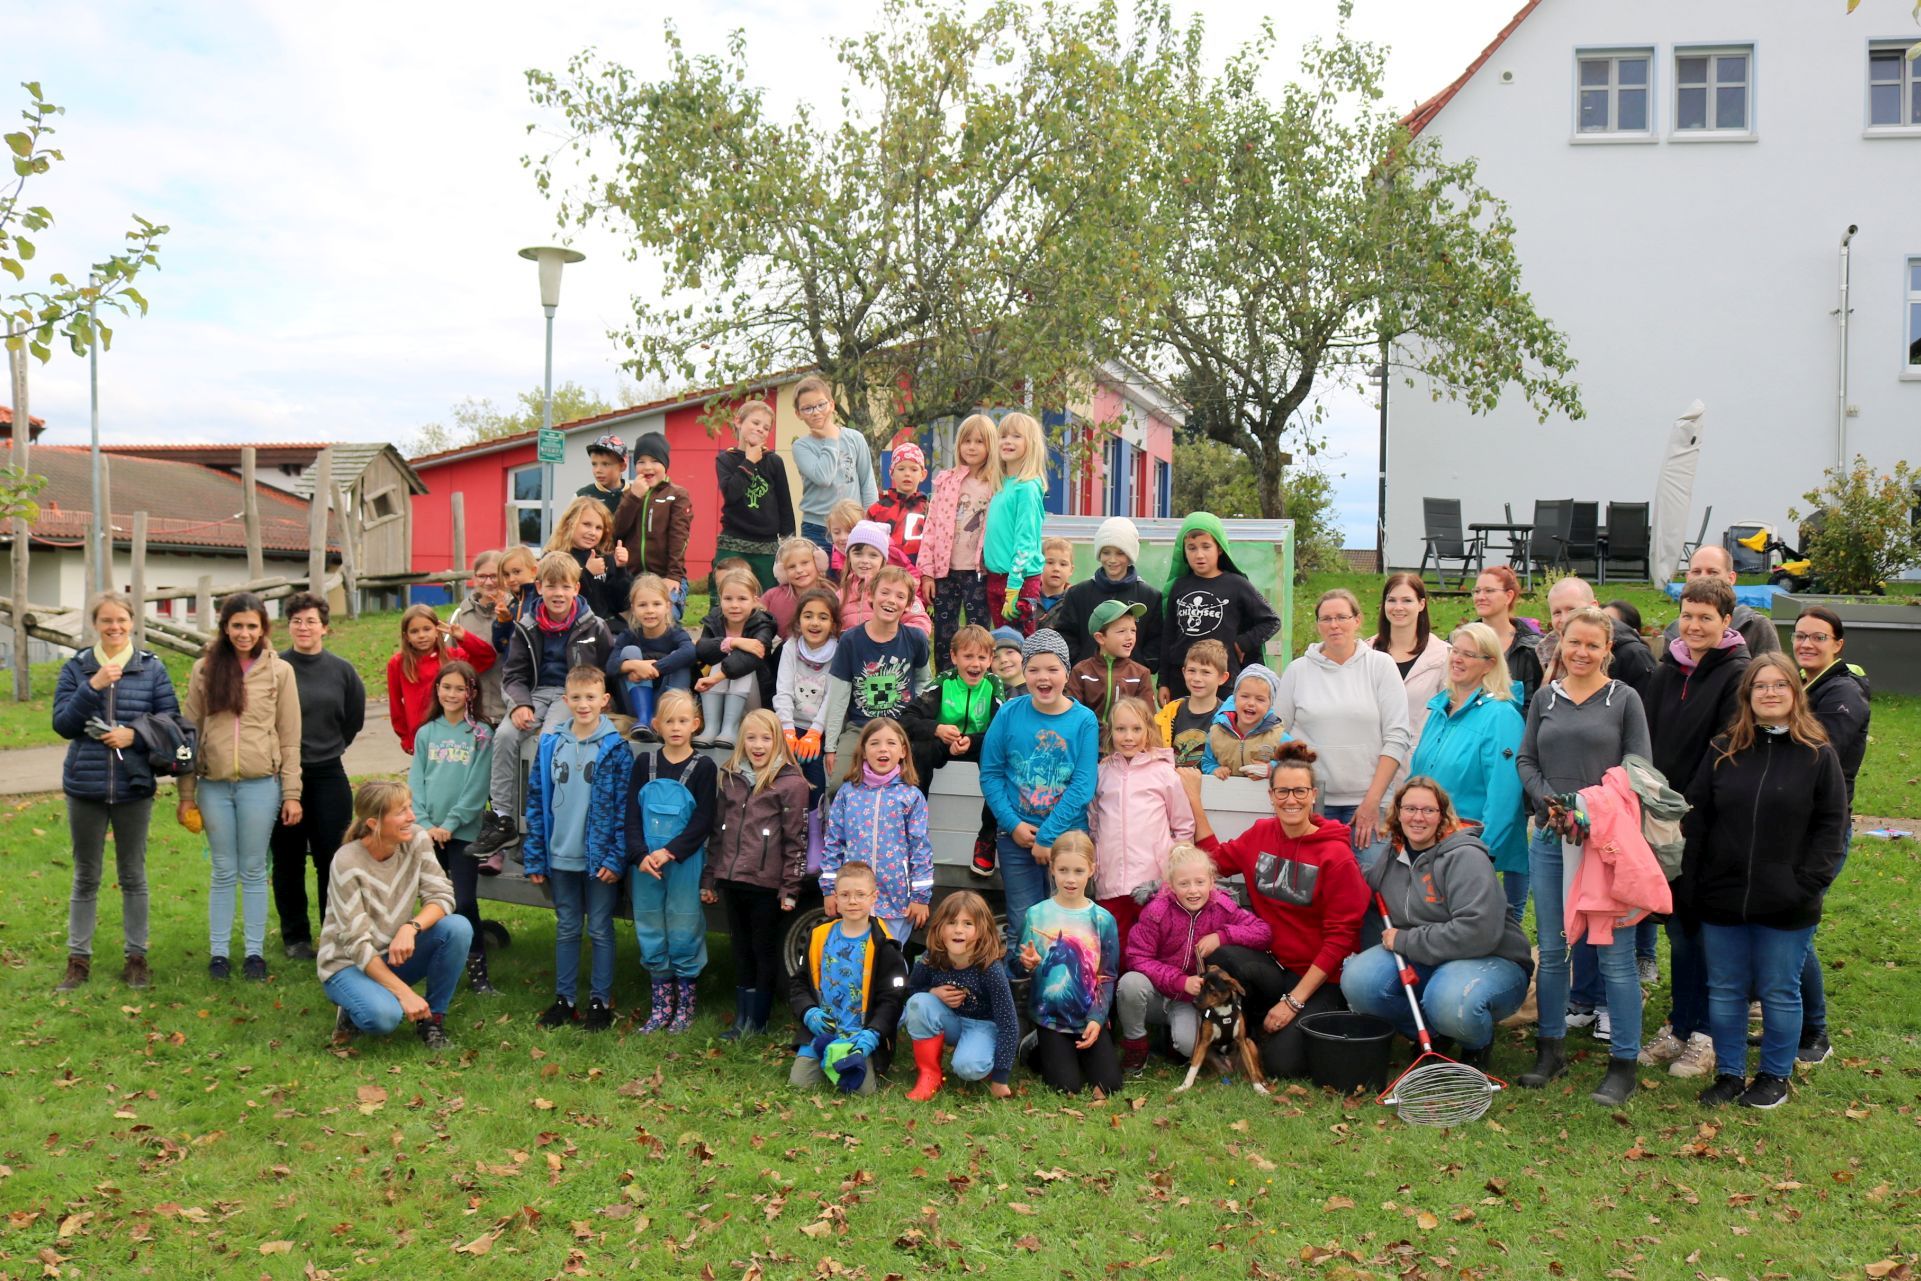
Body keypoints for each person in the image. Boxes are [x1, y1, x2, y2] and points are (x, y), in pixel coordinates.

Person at [1685, 657, 1847, 1110]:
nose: (1770, 693)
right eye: (1760, 686)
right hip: (1722, 897)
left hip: (1787, 902)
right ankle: (1730, 1073)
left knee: (1779, 989)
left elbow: (1831, 827)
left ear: (1796, 693)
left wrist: (1805, 884)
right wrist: (1694, 887)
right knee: (1726, 989)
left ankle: (1774, 1074)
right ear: (1747, 695)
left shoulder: (1818, 755)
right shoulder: (1723, 749)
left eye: (1780, 685)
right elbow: (1697, 821)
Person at [1515, 605, 1653, 1106]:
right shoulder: (1545, 698)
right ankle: (1549, 1047)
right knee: (1552, 949)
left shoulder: (1624, 699)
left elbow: (1638, 769)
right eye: (1574, 642)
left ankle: (1623, 1062)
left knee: (1615, 955)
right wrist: (1552, 802)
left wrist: (1587, 809)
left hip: (1605, 843)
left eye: (1593, 645)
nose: (1582, 652)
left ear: (1607, 651)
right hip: (1551, 837)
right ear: (1561, 643)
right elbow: (1527, 758)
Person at [1179, 742, 1368, 1080]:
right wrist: (1194, 798)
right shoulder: (1261, 834)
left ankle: (1286, 1025)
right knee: (1225, 954)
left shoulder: (1336, 857)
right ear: (1271, 795)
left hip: (1318, 976)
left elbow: (1341, 939)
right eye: (1282, 791)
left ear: (1312, 795)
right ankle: (1240, 1028)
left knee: (1284, 1065)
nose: (1290, 800)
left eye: (1299, 791)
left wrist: (1293, 1003)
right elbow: (1217, 861)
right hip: (1271, 965)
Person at [1637, 578, 1751, 1081]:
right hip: (1661, 819)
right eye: (1688, 615)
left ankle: (1706, 1034)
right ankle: (1679, 1025)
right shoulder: (1667, 670)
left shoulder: (1737, 673)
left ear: (1727, 622)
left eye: (1706, 617)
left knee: (1704, 933)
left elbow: (1725, 745)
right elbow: (1647, 739)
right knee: (1679, 930)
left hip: (1705, 823)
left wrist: (1685, 806)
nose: (1695, 625)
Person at [1339, 778, 1534, 1070]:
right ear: (1398, 813)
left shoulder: (1465, 856)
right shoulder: (1394, 854)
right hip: (1429, 957)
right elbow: (1367, 892)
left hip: (1489, 959)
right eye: (1410, 809)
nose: (1418, 817)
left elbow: (1477, 932)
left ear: (1443, 816)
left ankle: (1475, 1044)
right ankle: (1432, 1033)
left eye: (1428, 810)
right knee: (1358, 979)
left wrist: (1405, 941)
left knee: (1447, 998)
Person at [52, 592, 181, 992]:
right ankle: (78, 959)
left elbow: (171, 722)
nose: (115, 628)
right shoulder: (77, 668)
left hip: (134, 785)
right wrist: (92, 685)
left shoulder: (152, 669)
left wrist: (134, 734)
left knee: (133, 875)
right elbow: (63, 724)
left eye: (122, 620)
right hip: (85, 786)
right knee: (86, 875)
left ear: (132, 622)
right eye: (107, 621)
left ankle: (136, 957)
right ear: (96, 624)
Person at [179, 593, 302, 983]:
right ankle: (218, 954)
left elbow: (289, 736)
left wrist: (292, 792)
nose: (244, 633)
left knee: (252, 870)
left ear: (263, 627)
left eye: (252, 626)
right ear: (225, 626)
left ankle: (253, 953)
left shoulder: (280, 671)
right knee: (222, 870)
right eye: (237, 626)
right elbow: (188, 734)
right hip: (213, 786)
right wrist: (186, 794)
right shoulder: (203, 669)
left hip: (260, 785)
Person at [470, 553, 618, 861]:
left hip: (571, 697)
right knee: (506, 736)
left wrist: (609, 707)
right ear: (539, 587)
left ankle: (537, 824)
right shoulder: (527, 626)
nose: (558, 594)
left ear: (576, 589)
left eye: (565, 587)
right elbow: (512, 674)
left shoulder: (594, 626)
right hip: (535, 693)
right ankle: (503, 818)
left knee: (548, 741)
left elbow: (610, 670)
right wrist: (519, 704)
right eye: (551, 586)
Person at [318, 781, 472, 1049]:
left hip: (392, 954)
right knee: (385, 1018)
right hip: (346, 964)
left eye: (410, 808)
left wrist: (410, 927)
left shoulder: (416, 839)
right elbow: (356, 944)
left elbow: (443, 896)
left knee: (457, 928)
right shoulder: (347, 861)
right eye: (401, 811)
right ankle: (351, 1008)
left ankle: (432, 1021)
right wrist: (405, 994)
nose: (411, 817)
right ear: (374, 823)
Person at [523, 666, 631, 1033]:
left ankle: (599, 1001)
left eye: (591, 697)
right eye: (576, 697)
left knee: (600, 928)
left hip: (599, 859)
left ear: (604, 700)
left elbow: (623, 808)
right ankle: (564, 1000)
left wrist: (616, 857)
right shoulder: (552, 743)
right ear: (565, 700)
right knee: (567, 926)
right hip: (559, 855)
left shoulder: (616, 748)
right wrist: (536, 853)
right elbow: (537, 799)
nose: (583, 704)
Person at [980, 630, 1102, 953]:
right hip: (1016, 837)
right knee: (1023, 923)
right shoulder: (1009, 713)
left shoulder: (1084, 721)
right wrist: (1013, 825)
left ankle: (1069, 992)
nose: (1043, 678)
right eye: (1033, 669)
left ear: (1066, 672)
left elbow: (1083, 785)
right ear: (1024, 672)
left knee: (1068, 922)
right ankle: (1021, 993)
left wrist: (1048, 837)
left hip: (1067, 840)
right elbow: (990, 774)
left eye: (1052, 669)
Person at [1790, 605, 1871, 1066]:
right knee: (1789, 930)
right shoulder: (1811, 684)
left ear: (1837, 644)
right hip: (1798, 828)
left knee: (1795, 933)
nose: (1806, 644)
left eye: (1818, 637)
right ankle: (1799, 1024)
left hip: (1823, 831)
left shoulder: (1842, 693)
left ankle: (1816, 1033)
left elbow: (1819, 756)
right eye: (1801, 636)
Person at [1406, 623, 1528, 921]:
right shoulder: (1439, 709)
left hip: (1468, 850)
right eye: (1455, 651)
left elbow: (1504, 795)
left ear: (1489, 664)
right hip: (1428, 845)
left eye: (1469, 655)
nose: (1457, 659)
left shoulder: (1500, 716)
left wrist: (1481, 854)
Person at [1115, 842, 1273, 1073]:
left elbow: (1263, 932)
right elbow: (1137, 957)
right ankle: (1136, 1044)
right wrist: (1180, 981)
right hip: (1156, 993)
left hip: (1191, 1000)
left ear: (1211, 880)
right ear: (1170, 885)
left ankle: (1171, 1039)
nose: (1193, 890)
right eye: (1184, 884)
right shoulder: (1157, 911)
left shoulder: (1222, 907)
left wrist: (1222, 936)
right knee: (1130, 983)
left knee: (1189, 1047)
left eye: (1200, 882)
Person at [1273, 589, 1412, 848]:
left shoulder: (1381, 666)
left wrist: (1372, 801)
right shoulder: (1297, 671)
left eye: (1342, 617)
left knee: (1367, 880)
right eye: (1326, 619)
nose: (1334, 625)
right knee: (1312, 883)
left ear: (1357, 620)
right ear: (1318, 625)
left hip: (1368, 801)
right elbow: (1277, 734)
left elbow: (1397, 736)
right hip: (1310, 802)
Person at [703, 710, 809, 1041]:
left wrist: (790, 888)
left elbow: (797, 840)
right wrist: (710, 878)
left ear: (777, 740)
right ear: (741, 741)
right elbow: (718, 833)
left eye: (766, 738)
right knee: (740, 949)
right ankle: (742, 1019)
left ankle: (759, 1021)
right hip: (733, 879)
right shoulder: (730, 776)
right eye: (751, 738)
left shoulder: (791, 783)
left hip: (766, 883)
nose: (758, 745)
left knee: (763, 950)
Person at [271, 593, 366, 962]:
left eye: (311, 621)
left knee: (332, 857)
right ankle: (295, 937)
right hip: (282, 775)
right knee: (288, 857)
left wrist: (331, 747)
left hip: (328, 772)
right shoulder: (276, 667)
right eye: (296, 620)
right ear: (288, 626)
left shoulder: (341, 670)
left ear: (325, 627)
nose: (303, 627)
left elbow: (353, 718)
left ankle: (334, 932)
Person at [626, 689, 718, 1033]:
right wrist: (640, 855)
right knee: (650, 928)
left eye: (683, 721)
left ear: (695, 724)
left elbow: (703, 821)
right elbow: (631, 816)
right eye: (669, 721)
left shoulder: (703, 767)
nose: (676, 727)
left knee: (683, 928)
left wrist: (670, 851)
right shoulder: (644, 764)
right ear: (656, 725)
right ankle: (660, 1007)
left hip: (683, 862)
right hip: (646, 865)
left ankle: (684, 1009)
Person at [406, 661, 497, 996]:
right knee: (430, 901)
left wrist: (451, 824)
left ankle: (478, 973)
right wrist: (426, 824)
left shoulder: (481, 733)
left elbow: (477, 787)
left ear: (472, 692)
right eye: (447, 687)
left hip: (462, 833)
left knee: (464, 901)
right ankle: (431, 963)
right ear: (437, 689)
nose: (453, 694)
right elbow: (416, 780)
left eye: (461, 688)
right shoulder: (427, 732)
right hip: (427, 832)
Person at [1014, 832, 1122, 1097]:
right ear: (1052, 869)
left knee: (1109, 1086)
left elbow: (1107, 976)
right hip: (1051, 1020)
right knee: (1067, 1087)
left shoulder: (1103, 919)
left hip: (1088, 1019)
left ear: (1092, 870)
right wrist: (1026, 964)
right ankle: (1035, 1045)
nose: (1070, 879)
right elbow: (1016, 968)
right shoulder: (1036, 914)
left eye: (1078, 870)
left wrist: (1098, 1019)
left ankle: (1085, 1052)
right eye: (1063, 870)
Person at [789, 861, 907, 1095]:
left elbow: (892, 1000)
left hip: (861, 1034)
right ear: (836, 898)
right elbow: (798, 984)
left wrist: (873, 1034)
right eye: (845, 894)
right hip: (823, 1030)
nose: (852, 901)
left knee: (863, 1093)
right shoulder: (819, 936)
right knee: (799, 1085)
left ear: (874, 897)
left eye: (860, 894)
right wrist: (808, 1012)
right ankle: (826, 1052)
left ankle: (849, 1055)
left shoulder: (885, 945)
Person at [897, 624, 1002, 876]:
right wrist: (937, 729)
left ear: (990, 659)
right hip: (944, 741)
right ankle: (912, 827)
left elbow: (1002, 729)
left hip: (978, 744)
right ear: (954, 657)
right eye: (968, 656)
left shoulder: (994, 685)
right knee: (919, 747)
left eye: (981, 657)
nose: (975, 664)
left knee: (1000, 756)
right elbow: (907, 719)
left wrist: (973, 741)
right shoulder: (944, 682)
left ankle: (987, 838)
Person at [1088, 697, 1193, 949]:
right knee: (1115, 947)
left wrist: (1173, 868)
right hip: (1110, 881)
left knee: (1151, 946)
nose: (1128, 737)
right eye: (1120, 729)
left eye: (1136, 729)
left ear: (1148, 730)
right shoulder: (1102, 773)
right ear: (1110, 732)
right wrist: (1097, 858)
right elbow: (1093, 822)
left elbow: (1183, 826)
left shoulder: (1163, 773)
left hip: (1153, 882)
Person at [821, 718, 933, 943]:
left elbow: (920, 849)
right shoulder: (847, 794)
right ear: (863, 751)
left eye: (891, 743)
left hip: (896, 900)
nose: (883, 749)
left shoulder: (911, 796)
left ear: (903, 751)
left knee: (888, 965)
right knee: (856, 962)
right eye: (874, 743)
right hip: (854, 900)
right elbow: (833, 843)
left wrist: (921, 897)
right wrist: (829, 890)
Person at [901, 891, 1020, 1100]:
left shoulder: (990, 968)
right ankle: (929, 1075)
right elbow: (910, 991)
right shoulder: (932, 958)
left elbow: (1008, 1023)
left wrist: (1001, 1079)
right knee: (918, 1003)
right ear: (939, 928)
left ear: (981, 931)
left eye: (968, 924)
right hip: (951, 1021)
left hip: (982, 1026)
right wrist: (933, 992)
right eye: (952, 922)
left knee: (968, 1068)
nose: (958, 930)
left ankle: (986, 1060)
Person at [821, 565, 930, 779]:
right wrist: (831, 746)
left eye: (900, 596)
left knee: (909, 782)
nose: (891, 600)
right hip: (860, 727)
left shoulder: (916, 639)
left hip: (902, 727)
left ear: (908, 605)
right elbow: (838, 696)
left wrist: (916, 721)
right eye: (885, 592)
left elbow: (924, 683)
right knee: (838, 784)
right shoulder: (850, 641)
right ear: (871, 595)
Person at [1160, 512, 1280, 699]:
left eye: (1206, 546)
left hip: (1223, 683)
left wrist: (1242, 644)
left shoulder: (1237, 584)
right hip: (1182, 682)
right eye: (1191, 548)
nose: (1199, 554)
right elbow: (1168, 636)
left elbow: (1271, 621)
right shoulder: (1179, 586)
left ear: (1220, 549)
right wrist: (1163, 682)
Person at [915, 414, 1000, 658]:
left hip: (979, 572)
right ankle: (945, 685)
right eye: (967, 441)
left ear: (990, 446)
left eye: (979, 442)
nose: (972, 447)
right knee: (944, 633)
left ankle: (978, 680)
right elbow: (930, 526)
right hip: (945, 571)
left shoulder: (995, 483)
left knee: (978, 630)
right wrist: (927, 573)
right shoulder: (947, 480)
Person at [1366, 573, 1450, 791]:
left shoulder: (1442, 656)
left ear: (1421, 604)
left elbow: (1449, 716)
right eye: (1391, 600)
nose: (1398, 607)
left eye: (1407, 600)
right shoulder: (1365, 653)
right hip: (1370, 766)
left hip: (1420, 767)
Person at [1050, 516, 1163, 673]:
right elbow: (1066, 635)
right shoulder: (1078, 594)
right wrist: (1080, 666)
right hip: (1087, 684)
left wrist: (1140, 667)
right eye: (1106, 552)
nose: (1112, 559)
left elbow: (1156, 641)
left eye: (1120, 553)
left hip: (1130, 685)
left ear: (1130, 555)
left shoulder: (1150, 597)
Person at [386, 603, 495, 755]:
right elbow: (396, 705)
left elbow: (487, 657)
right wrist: (406, 738)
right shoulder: (397, 663)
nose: (422, 635)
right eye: (414, 631)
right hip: (421, 737)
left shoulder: (453, 658)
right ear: (406, 636)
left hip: (455, 734)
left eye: (427, 629)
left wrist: (463, 637)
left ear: (437, 630)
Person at [692, 565, 777, 749]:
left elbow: (752, 658)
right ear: (720, 600)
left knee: (740, 667)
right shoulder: (715, 619)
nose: (734, 605)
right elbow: (703, 649)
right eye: (728, 599)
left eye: (742, 599)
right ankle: (713, 728)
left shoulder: (763, 623)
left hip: (753, 703)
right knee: (717, 663)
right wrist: (734, 642)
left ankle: (731, 728)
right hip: (721, 697)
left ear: (755, 601)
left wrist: (715, 678)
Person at [606, 574, 697, 742]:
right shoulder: (629, 635)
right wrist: (632, 665)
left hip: (667, 705)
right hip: (635, 706)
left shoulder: (675, 634)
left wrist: (654, 668)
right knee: (630, 651)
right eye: (642, 605)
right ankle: (645, 719)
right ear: (633, 608)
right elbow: (610, 666)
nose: (649, 610)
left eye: (656, 604)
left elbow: (690, 652)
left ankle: (669, 719)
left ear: (668, 606)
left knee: (680, 659)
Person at [611, 432, 694, 617]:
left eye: (655, 461)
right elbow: (617, 531)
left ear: (665, 464)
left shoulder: (677, 495)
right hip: (633, 578)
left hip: (666, 575)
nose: (647, 467)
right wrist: (634, 497)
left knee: (665, 617)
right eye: (641, 461)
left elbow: (679, 538)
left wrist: (673, 575)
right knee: (633, 624)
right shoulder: (629, 495)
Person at [714, 401, 795, 590]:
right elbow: (732, 493)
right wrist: (749, 461)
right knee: (728, 595)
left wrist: (788, 543)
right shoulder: (725, 459)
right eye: (755, 423)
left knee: (766, 599)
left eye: (766, 428)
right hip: (733, 543)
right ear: (738, 422)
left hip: (766, 545)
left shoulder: (774, 461)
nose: (760, 429)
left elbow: (785, 504)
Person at [792, 376, 879, 549]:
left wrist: (871, 524)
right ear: (798, 414)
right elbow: (824, 478)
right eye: (807, 408)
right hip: (817, 527)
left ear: (831, 404)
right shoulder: (801, 447)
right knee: (821, 576)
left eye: (821, 404)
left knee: (854, 574)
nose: (816, 412)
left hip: (853, 524)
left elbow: (867, 482)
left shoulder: (855, 438)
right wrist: (831, 438)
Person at [773, 587, 840, 805]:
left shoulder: (838, 652)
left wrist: (814, 733)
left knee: (814, 766)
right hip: (791, 725)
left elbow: (832, 698)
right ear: (798, 619)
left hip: (819, 728)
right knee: (782, 767)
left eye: (823, 617)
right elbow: (782, 691)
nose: (814, 623)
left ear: (834, 624)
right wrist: (787, 730)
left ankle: (815, 826)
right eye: (808, 616)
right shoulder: (791, 647)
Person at [982, 412, 1048, 623]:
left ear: (1031, 443)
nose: (1007, 441)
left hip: (1019, 581)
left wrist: (1013, 587)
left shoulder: (1027, 487)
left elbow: (1025, 540)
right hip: (996, 577)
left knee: (1018, 646)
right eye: (1003, 436)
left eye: (1016, 436)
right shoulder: (1002, 484)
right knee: (1002, 644)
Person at [1663, 544, 1781, 657]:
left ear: (1731, 578)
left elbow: (1773, 673)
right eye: (1696, 572)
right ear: (1688, 578)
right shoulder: (1675, 631)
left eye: (1713, 572)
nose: (1703, 578)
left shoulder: (1755, 626)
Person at [836, 521, 933, 636]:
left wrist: (895, 640)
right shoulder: (841, 595)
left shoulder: (897, 588)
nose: (865, 560)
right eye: (858, 554)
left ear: (883, 559)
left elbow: (920, 623)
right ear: (849, 557)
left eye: (873, 555)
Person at [1469, 566, 1544, 710]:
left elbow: (1532, 706)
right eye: (1477, 591)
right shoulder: (1460, 641)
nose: (1480, 597)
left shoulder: (1530, 648)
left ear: (1509, 596)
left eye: (1489, 591)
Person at [1199, 662, 1291, 779]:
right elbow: (1207, 761)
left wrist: (1272, 768)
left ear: (1270, 705)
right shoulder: (1216, 733)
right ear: (1235, 699)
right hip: (1226, 794)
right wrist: (1214, 769)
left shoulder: (1278, 736)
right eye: (1245, 696)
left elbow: (1296, 762)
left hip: (1264, 796)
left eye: (1260, 699)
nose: (1251, 703)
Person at [1070, 600, 1157, 718]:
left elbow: (1147, 719)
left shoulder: (1141, 674)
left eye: (1133, 630)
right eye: (1121, 631)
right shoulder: (1081, 672)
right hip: (1090, 735)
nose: (1129, 637)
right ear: (1100, 638)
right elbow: (1074, 716)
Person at [1154, 639, 1229, 769]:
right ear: (1183, 672)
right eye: (1191, 671)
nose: (1196, 678)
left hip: (1210, 785)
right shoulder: (1170, 713)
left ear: (1222, 678)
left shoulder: (1228, 717)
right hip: (1173, 784)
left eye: (1205, 672)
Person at [452, 550, 508, 724]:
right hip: (471, 710)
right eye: (482, 576)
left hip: (507, 708)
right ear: (474, 578)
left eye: (494, 576)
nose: (488, 582)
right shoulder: (461, 615)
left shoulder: (516, 611)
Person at [867, 441, 930, 564]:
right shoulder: (877, 509)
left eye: (914, 469)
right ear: (891, 472)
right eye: (901, 468)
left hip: (916, 574)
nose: (907, 474)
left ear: (923, 474)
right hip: (885, 573)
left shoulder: (929, 510)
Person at [762, 536, 830, 639]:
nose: (799, 570)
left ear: (818, 563)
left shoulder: (831, 594)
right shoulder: (772, 596)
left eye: (805, 563)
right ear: (782, 572)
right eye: (791, 567)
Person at [1014, 536, 1075, 636]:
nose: (1056, 568)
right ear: (1038, 565)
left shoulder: (1074, 601)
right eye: (1050, 562)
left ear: (1071, 570)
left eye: (1063, 564)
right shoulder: (1026, 597)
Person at [576, 433, 629, 521]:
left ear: (622, 466)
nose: (598, 470)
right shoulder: (581, 496)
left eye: (605, 464)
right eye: (594, 464)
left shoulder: (636, 494)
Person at [991, 626, 1026, 696]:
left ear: (1023, 655)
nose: (1003, 660)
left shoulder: (1040, 693)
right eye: (995, 657)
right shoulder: (988, 698)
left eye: (1009, 652)